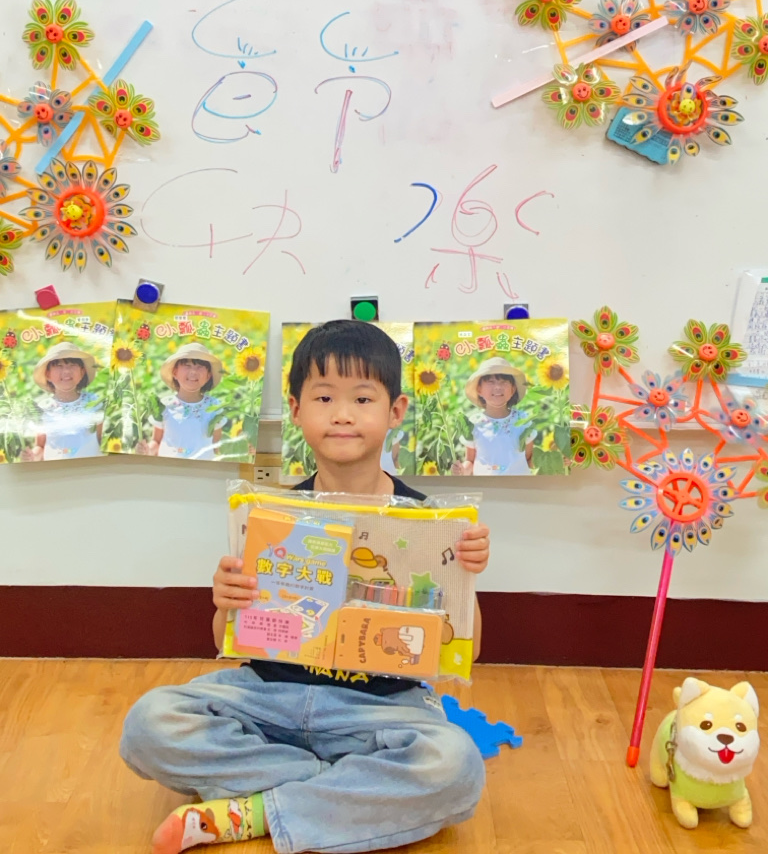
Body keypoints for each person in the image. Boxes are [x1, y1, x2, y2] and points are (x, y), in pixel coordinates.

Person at [120, 319, 490, 854]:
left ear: (396, 411)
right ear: (296, 410)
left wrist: (467, 579)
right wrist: (226, 602)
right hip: (267, 697)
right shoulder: (271, 514)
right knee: (149, 724)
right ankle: (342, 789)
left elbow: (464, 652)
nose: (342, 414)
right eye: (323, 397)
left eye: (362, 398)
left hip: (380, 710)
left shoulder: (432, 524)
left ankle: (253, 810)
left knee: (454, 767)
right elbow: (227, 643)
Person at [138, 342, 226, 460]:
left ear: (208, 375)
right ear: (175, 373)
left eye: (199, 367)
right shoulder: (164, 405)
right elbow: (156, 442)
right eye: (187, 365)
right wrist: (146, 450)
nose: (193, 371)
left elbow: (216, 446)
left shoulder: (214, 407)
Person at [452, 355, 534, 476]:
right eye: (491, 382)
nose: (498, 387)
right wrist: (462, 470)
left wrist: (552, 462)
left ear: (513, 389)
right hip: (486, 484)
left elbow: (529, 458)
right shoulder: (473, 423)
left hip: (518, 484)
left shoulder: (523, 420)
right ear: (479, 389)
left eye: (504, 382)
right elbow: (470, 461)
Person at [21, 341, 103, 461]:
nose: (66, 371)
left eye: (72, 365)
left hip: (88, 468)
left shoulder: (95, 403)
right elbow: (41, 446)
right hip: (55, 470)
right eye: (58, 366)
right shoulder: (42, 408)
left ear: (82, 372)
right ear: (48, 374)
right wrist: (32, 456)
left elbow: (102, 441)